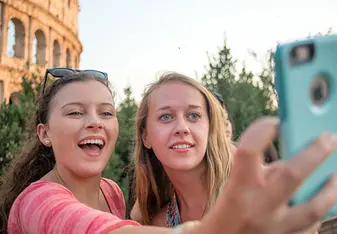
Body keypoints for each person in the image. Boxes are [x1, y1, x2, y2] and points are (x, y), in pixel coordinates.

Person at [0, 70, 335, 234]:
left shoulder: (113, 193)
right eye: (75, 112)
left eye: (105, 112)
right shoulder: (37, 201)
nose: (95, 123)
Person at [130, 72, 333, 233]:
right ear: (145, 136)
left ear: (210, 128)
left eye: (194, 115)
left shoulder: (263, 197)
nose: (182, 127)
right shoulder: (155, 223)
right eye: (166, 117)